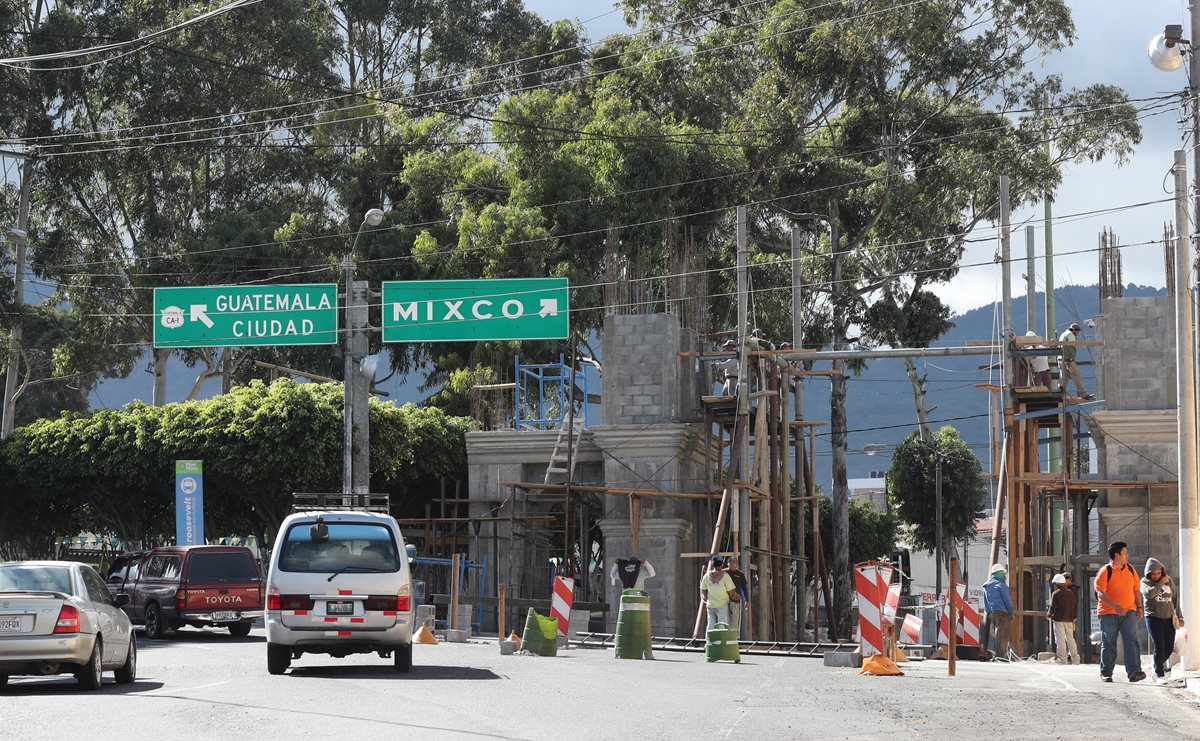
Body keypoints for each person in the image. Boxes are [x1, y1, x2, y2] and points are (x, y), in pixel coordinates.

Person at [1095, 541, 1146, 683]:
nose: (1127, 555)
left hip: (1129, 612)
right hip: (1108, 613)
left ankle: (1134, 672)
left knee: (1131, 641)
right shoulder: (1105, 571)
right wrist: (1114, 606)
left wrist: (1140, 607)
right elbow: (1100, 594)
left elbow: (1136, 590)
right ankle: (1106, 673)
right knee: (1109, 642)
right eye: (1124, 553)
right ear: (1117, 555)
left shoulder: (1130, 569)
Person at [1141, 557, 1184, 683]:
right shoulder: (1145, 582)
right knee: (1159, 646)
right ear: (1149, 573)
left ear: (1162, 571)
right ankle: (1159, 674)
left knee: (1169, 648)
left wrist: (1180, 617)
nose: (1156, 576)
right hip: (1153, 618)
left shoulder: (1168, 580)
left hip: (1168, 618)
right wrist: (1160, 584)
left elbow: (1175, 599)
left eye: (1158, 573)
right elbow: (1149, 594)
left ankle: (1156, 668)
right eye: (1153, 574)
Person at [1047, 572, 1081, 664]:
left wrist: (1049, 615)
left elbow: (1052, 608)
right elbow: (1073, 606)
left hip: (1059, 620)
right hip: (1069, 620)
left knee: (1060, 640)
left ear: (1056, 584)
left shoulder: (1055, 594)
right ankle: (1075, 659)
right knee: (1071, 639)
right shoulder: (1070, 593)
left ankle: (1063, 660)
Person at [983, 563, 1015, 660]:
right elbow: (1007, 600)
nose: (1004, 576)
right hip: (1002, 613)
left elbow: (985, 602)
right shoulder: (1001, 585)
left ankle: (998, 655)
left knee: (997, 634)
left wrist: (989, 612)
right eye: (1003, 574)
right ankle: (1000, 656)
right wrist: (1011, 612)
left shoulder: (987, 587)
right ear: (999, 574)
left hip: (992, 613)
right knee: (1002, 634)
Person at [1058, 322, 1095, 400]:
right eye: (1077, 331)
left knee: (1064, 378)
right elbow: (1074, 343)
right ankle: (1084, 395)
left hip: (1062, 359)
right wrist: (1085, 344)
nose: (1078, 333)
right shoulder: (1070, 334)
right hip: (1068, 360)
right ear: (1074, 330)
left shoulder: (1063, 334)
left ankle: (1059, 393)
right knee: (1076, 376)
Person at [699, 556, 737, 632]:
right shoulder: (725, 576)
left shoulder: (706, 576)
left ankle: (709, 641)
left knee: (710, 623)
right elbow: (731, 592)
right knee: (722, 625)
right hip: (722, 605)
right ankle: (721, 642)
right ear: (722, 564)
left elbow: (703, 590)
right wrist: (737, 597)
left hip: (711, 605)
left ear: (713, 564)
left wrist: (707, 598)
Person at [724, 557, 749, 635]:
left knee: (734, 622)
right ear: (727, 563)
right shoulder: (723, 573)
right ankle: (725, 640)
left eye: (733, 562)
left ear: (737, 564)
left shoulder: (740, 574)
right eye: (730, 562)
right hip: (724, 602)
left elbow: (744, 587)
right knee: (725, 621)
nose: (732, 564)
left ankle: (735, 641)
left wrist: (747, 600)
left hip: (735, 602)